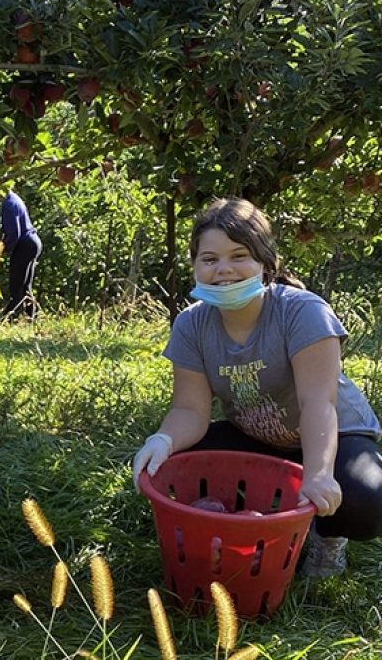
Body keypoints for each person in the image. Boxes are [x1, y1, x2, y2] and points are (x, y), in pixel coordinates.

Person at [132, 197, 382, 579]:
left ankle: (328, 534)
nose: (224, 269)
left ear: (265, 263)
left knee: (367, 500)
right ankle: (262, 521)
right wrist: (163, 440)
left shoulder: (302, 312)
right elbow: (191, 411)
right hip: (258, 435)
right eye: (209, 259)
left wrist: (317, 473)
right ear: (195, 266)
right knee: (178, 467)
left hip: (334, 433)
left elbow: (318, 403)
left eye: (239, 255)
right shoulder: (192, 325)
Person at [0, 189, 42, 320]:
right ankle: (33, 319)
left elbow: (14, 233)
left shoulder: (8, 204)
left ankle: (8, 319)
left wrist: (3, 248)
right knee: (25, 287)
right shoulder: (14, 198)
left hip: (24, 245)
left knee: (16, 286)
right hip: (34, 242)